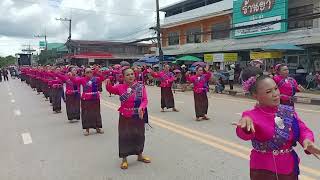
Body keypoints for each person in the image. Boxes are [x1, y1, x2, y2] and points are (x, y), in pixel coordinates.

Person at [234, 67, 320, 180]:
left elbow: (303, 129)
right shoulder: (250, 115)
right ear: (255, 95)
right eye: (269, 92)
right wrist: (244, 127)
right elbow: (244, 133)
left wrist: (307, 140)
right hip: (263, 170)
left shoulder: (288, 111)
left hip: (288, 167)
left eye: (276, 88)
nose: (275, 94)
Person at [106, 67, 151, 170]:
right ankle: (124, 159)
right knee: (124, 136)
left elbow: (145, 100)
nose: (130, 76)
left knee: (139, 135)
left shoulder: (140, 86)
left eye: (132, 74)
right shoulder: (120, 87)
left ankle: (139, 155)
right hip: (125, 115)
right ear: (123, 77)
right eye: (127, 75)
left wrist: (141, 107)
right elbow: (110, 89)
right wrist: (108, 83)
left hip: (138, 115)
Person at [79, 68, 104, 136]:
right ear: (84, 73)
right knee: (86, 114)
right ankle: (87, 129)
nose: (89, 73)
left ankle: (97, 127)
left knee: (96, 113)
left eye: (90, 72)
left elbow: (102, 78)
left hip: (95, 98)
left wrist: (96, 71)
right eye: (87, 72)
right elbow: (74, 80)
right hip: (86, 99)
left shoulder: (96, 78)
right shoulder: (82, 79)